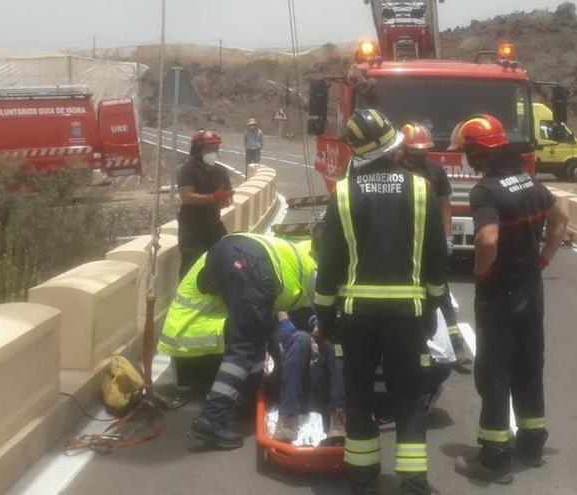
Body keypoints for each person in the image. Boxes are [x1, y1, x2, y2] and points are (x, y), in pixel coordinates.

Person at [315, 108, 448, 495]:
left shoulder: (342, 193)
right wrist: (433, 306)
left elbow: (330, 263)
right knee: (408, 397)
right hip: (408, 315)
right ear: (395, 145)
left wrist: (326, 314)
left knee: (358, 396)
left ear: (357, 151)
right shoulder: (422, 189)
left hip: (357, 317)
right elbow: (436, 259)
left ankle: (361, 476)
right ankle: (413, 481)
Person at [448, 114, 567, 485]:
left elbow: (486, 240)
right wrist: (544, 257)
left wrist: (482, 272)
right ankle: (531, 445)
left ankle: (494, 458)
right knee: (529, 367)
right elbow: (562, 214)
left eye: (467, 151)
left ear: (479, 152)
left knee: (494, 374)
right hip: (531, 287)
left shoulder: (487, 190)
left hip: (500, 292)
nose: (465, 157)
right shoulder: (529, 181)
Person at [184, 233, 318, 449]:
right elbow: (322, 308)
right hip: (252, 266)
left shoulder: (291, 258)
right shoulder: (312, 271)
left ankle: (245, 400)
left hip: (222, 252)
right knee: (244, 347)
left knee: (254, 341)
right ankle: (211, 419)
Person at [399, 122, 471, 367]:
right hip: (403, 243)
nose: (420, 157)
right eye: (415, 152)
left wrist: (447, 236)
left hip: (429, 244)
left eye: (423, 151)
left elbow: (444, 207)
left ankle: (456, 344)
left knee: (440, 293)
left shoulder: (435, 172)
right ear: (404, 149)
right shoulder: (395, 171)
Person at [272, 311, 346, 444]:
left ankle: (339, 416)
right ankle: (288, 418)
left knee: (335, 344)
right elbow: (280, 314)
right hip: (293, 364)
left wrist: (319, 326)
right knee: (301, 338)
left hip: (321, 379)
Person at [177, 129, 234, 278]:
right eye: (208, 149)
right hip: (191, 227)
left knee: (222, 258)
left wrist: (224, 200)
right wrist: (213, 198)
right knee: (192, 265)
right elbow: (186, 197)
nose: (212, 152)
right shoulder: (188, 170)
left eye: (215, 149)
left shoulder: (221, 171)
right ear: (198, 150)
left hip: (213, 223)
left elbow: (225, 201)